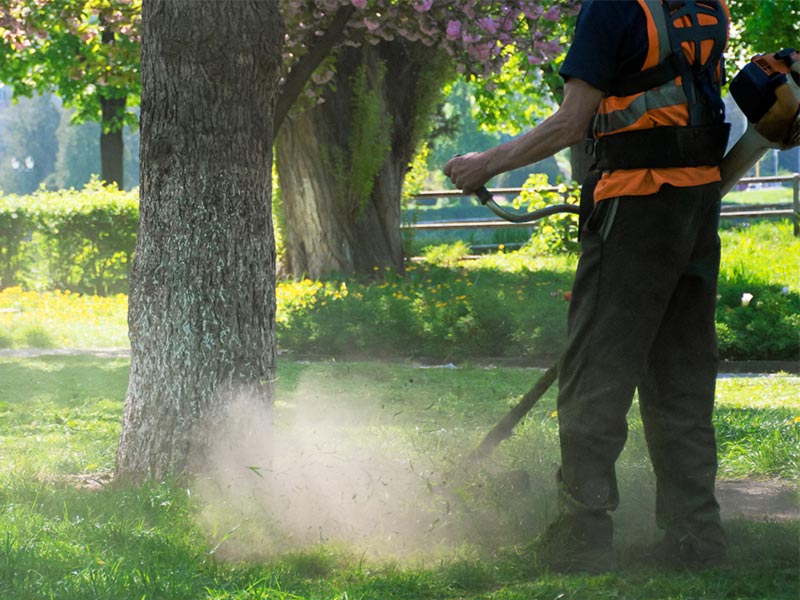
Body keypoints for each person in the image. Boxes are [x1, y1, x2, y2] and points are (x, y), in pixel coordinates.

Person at [445, 0, 731, 572]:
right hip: (696, 211)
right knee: (681, 379)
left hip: (635, 207)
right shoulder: (706, 5)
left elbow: (573, 121)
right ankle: (694, 536)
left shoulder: (613, 7)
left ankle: (582, 531)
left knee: (594, 376)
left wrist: (488, 163)